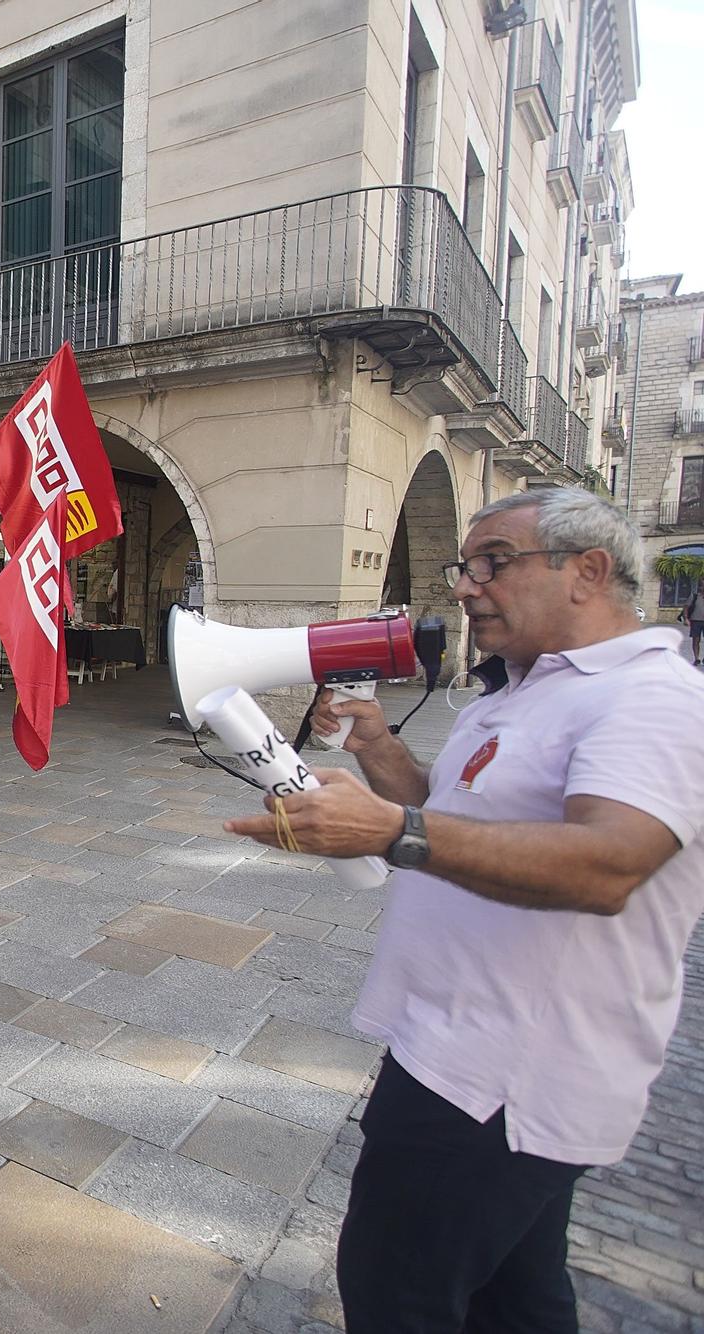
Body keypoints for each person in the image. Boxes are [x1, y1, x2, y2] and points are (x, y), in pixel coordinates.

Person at [219, 489, 704, 1334]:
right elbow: (456, 811)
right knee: (516, 1299)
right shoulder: (514, 692)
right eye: (465, 566)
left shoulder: (651, 700)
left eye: (496, 563)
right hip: (456, 1047)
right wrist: (379, 750)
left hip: (502, 1077)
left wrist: (392, 829)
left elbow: (609, 864)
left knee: (396, 1292)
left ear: (589, 571)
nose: (470, 586)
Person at [685, 580, 704, 666]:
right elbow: (686, 607)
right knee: (696, 640)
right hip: (696, 621)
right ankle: (696, 658)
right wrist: (686, 618)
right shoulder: (694, 596)